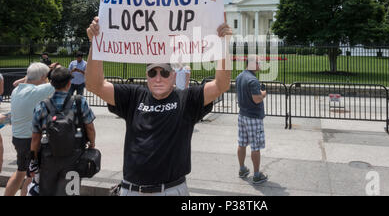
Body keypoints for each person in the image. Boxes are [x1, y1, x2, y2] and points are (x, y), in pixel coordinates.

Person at [85, 16, 232, 196]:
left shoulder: (187, 99)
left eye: (164, 72)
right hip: (131, 190)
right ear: (146, 75)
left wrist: (223, 44)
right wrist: (96, 43)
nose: (158, 78)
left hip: (170, 190)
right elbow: (95, 85)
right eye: (152, 72)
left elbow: (221, 85)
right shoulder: (133, 96)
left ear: (173, 75)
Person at [29, 67, 96, 196]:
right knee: (71, 193)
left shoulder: (42, 105)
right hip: (74, 157)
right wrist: (92, 144)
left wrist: (33, 161)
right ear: (69, 83)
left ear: (52, 83)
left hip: (49, 158)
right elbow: (90, 127)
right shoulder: (79, 101)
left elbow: (35, 138)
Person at [4, 63, 54, 196]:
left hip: (18, 138)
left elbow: (19, 82)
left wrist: (41, 71)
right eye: (46, 77)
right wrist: (52, 70)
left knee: (21, 172)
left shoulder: (17, 91)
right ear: (43, 77)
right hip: (30, 141)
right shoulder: (35, 92)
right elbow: (62, 79)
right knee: (31, 176)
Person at [235, 55, 268, 184]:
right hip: (253, 117)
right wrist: (264, 93)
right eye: (259, 63)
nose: (260, 65)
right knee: (255, 146)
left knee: (242, 143)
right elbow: (257, 99)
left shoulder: (239, 76)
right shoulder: (253, 80)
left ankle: (242, 169)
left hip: (242, 115)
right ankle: (256, 175)